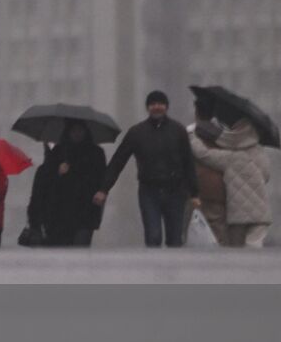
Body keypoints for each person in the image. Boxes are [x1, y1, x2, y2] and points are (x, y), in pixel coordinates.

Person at [93, 90, 199, 248]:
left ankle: (173, 270)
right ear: (148, 107)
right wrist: (104, 188)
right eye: (153, 104)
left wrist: (195, 193)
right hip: (149, 191)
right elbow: (118, 161)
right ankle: (152, 270)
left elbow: (188, 162)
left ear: (166, 107)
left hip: (176, 191)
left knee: (175, 239)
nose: (157, 107)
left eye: (160, 104)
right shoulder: (137, 132)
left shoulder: (178, 131)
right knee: (153, 235)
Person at [191, 110, 273, 248]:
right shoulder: (260, 153)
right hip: (261, 212)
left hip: (238, 214)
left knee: (237, 250)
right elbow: (266, 176)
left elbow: (204, 154)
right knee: (255, 247)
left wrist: (191, 137)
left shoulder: (231, 156)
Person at [28, 121, 107, 246]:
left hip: (85, 212)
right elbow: (45, 185)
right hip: (59, 215)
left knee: (80, 249)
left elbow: (101, 178)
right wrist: (58, 173)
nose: (77, 134)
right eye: (74, 130)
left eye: (80, 130)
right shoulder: (59, 153)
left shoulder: (96, 153)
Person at [187, 95, 229, 244]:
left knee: (194, 233)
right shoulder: (223, 135)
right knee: (219, 234)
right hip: (218, 191)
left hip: (194, 192)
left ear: (196, 112)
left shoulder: (189, 134)